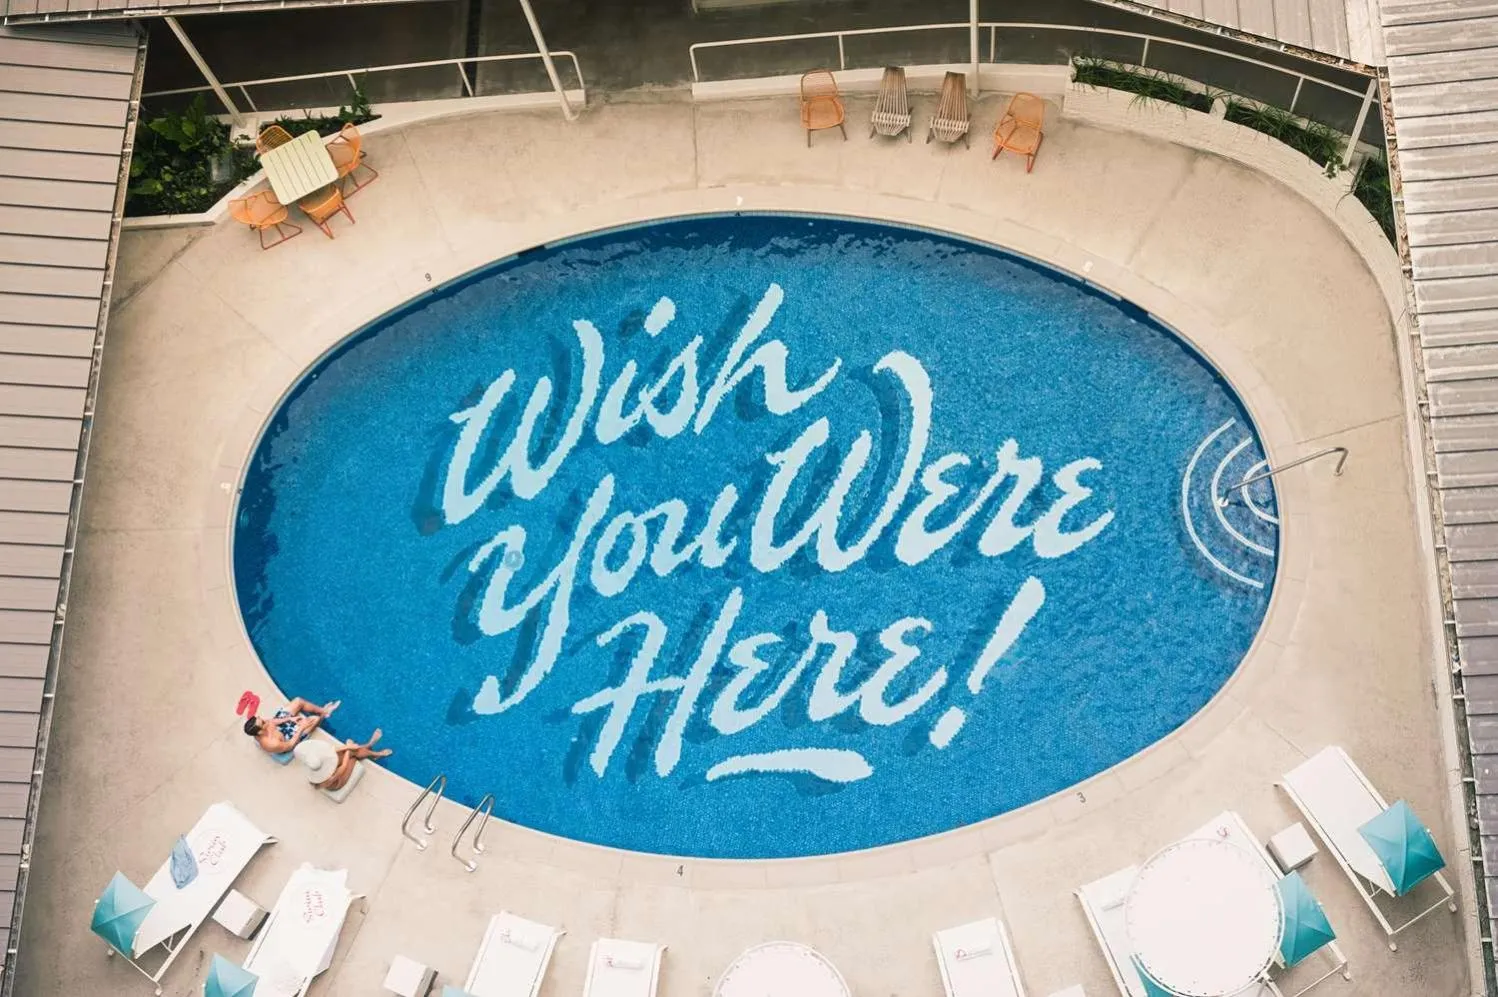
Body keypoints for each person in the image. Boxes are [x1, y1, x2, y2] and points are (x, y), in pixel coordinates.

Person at [293, 729, 393, 792]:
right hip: (337, 781)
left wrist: (347, 746)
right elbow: (343, 766)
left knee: (345, 751)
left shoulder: (313, 762)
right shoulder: (328, 779)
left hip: (329, 771)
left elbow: (332, 751)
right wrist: (349, 749)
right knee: (353, 756)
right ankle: (375, 752)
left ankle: (369, 746)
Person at [243, 697, 340, 754]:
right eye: (263, 723)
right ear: (260, 732)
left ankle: (323, 710)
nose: (265, 720)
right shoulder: (272, 744)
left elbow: (272, 721)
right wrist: (301, 728)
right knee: (315, 719)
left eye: (261, 719)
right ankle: (323, 716)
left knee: (298, 701)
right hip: (288, 738)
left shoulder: (261, 726)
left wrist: (289, 719)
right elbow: (290, 745)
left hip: (280, 728)